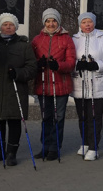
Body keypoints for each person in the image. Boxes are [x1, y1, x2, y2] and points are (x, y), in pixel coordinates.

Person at [0, 13, 36, 166]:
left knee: (13, 121)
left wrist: (18, 73)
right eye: (5, 25)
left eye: (11, 25)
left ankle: (11, 153)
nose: (8, 27)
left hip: (15, 89)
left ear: (15, 27)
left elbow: (32, 68)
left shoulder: (24, 45)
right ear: (0, 27)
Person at [71, 11, 103, 161]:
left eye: (89, 22)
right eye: (84, 22)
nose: (87, 25)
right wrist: (77, 65)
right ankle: (85, 142)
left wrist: (98, 65)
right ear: (80, 24)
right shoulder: (74, 39)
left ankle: (94, 146)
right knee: (82, 116)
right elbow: (68, 58)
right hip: (80, 83)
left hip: (98, 85)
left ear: (94, 23)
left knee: (95, 117)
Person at [32, 8, 76, 161]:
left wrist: (59, 66)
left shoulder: (66, 39)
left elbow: (71, 62)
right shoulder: (37, 40)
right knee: (46, 117)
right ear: (44, 22)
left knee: (58, 117)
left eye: (54, 21)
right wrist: (39, 64)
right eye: (48, 21)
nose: (51, 24)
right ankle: (44, 146)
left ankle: (55, 148)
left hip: (60, 84)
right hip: (43, 84)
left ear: (58, 22)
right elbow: (31, 61)